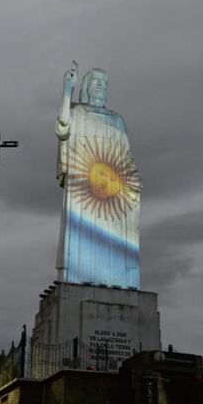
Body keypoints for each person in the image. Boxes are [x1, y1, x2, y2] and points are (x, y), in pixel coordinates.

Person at [55, 62, 142, 288]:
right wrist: (67, 89)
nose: (101, 86)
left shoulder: (117, 120)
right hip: (84, 194)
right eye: (97, 82)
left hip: (111, 194)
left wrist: (133, 181)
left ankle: (117, 281)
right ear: (87, 87)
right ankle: (81, 277)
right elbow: (63, 127)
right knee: (85, 239)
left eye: (105, 83)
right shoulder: (78, 113)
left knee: (111, 240)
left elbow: (126, 156)